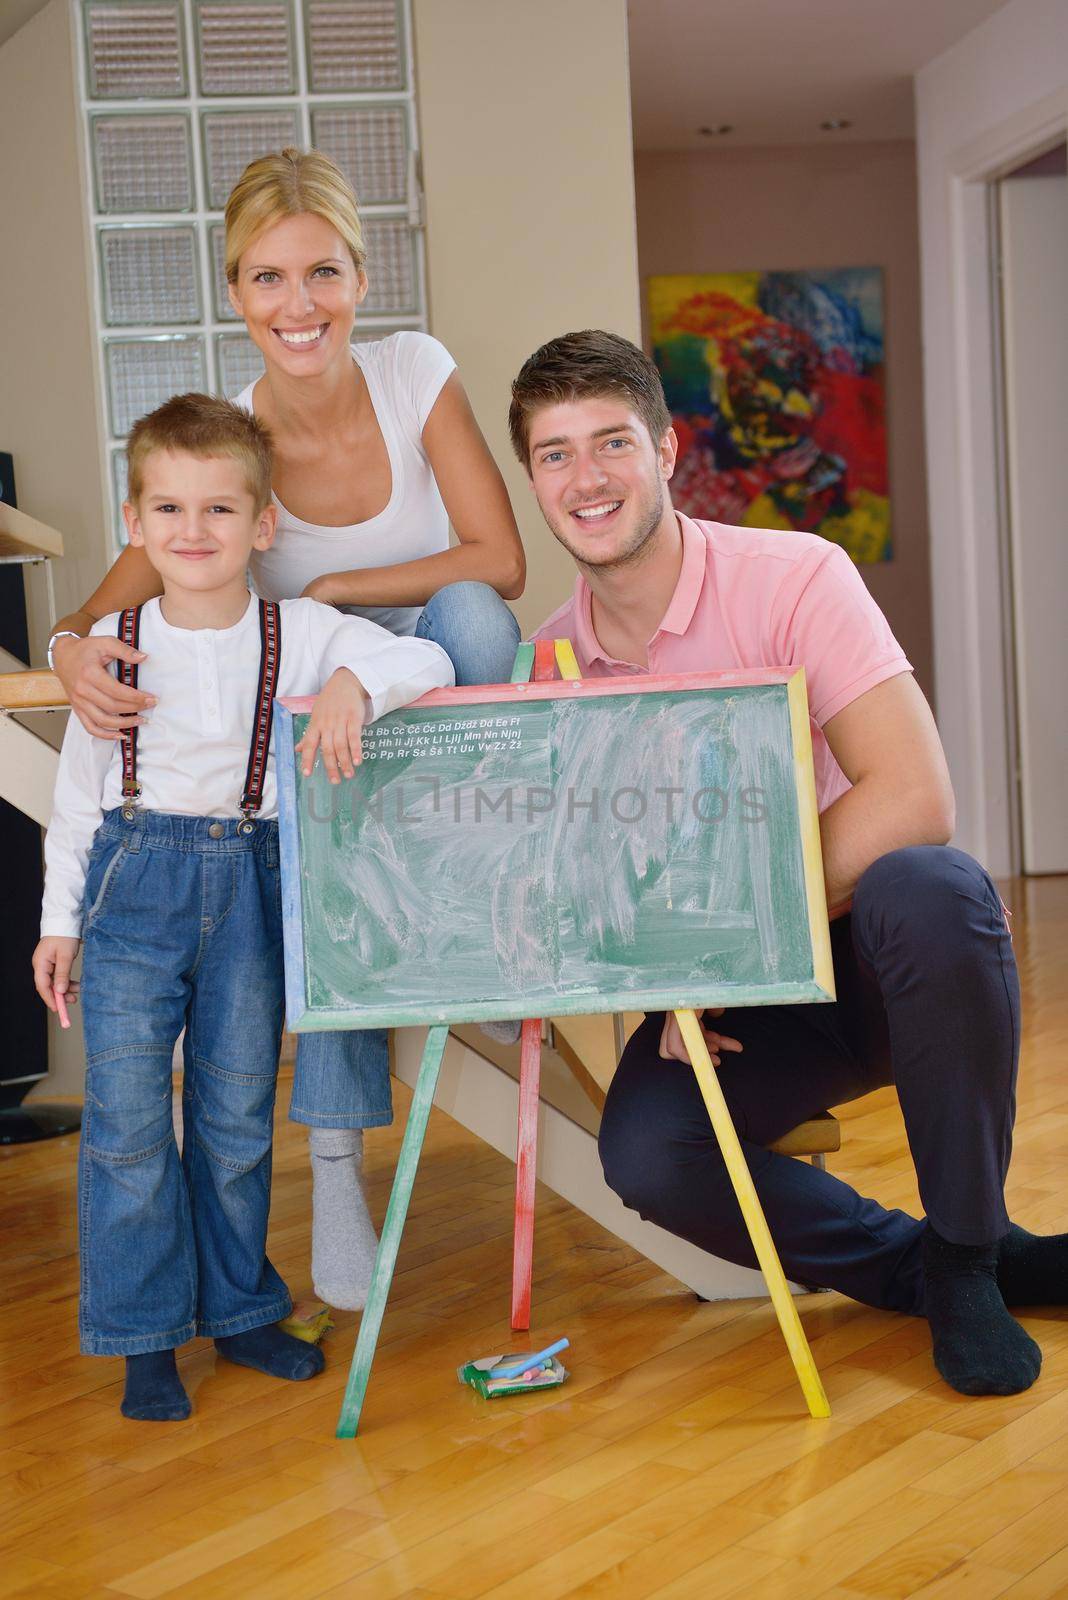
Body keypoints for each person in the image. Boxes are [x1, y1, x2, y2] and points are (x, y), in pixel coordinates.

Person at [509, 328, 1065, 1398]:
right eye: (555, 452)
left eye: (612, 442)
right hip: (740, 998)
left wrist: (716, 936)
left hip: (868, 945)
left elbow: (915, 794)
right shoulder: (549, 661)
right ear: (532, 478)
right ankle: (954, 1264)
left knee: (935, 883)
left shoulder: (798, 573)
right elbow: (598, 883)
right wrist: (664, 975)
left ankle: (966, 1248)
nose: (588, 477)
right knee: (649, 1155)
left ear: (667, 450)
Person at [45, 148, 524, 1312]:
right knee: (330, 855)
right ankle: (338, 1165)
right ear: (235, 291)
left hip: (429, 688)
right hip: (339, 753)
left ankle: (480, 890)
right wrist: (66, 643)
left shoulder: (416, 373)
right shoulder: (234, 442)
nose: (296, 305)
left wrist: (334, 600)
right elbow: (123, 586)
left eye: (321, 274)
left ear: (361, 277)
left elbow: (499, 563)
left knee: (466, 610)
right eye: (266, 279)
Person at [31, 394, 454, 1421]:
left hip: (253, 896)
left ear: (262, 524)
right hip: (133, 896)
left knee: (234, 1118)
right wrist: (58, 921)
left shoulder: (300, 632)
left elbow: (431, 657)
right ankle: (144, 1332)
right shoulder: (113, 648)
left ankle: (238, 1308)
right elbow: (79, 802)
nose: (193, 531)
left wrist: (354, 680)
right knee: (128, 1124)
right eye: (169, 508)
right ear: (134, 522)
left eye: (220, 510)